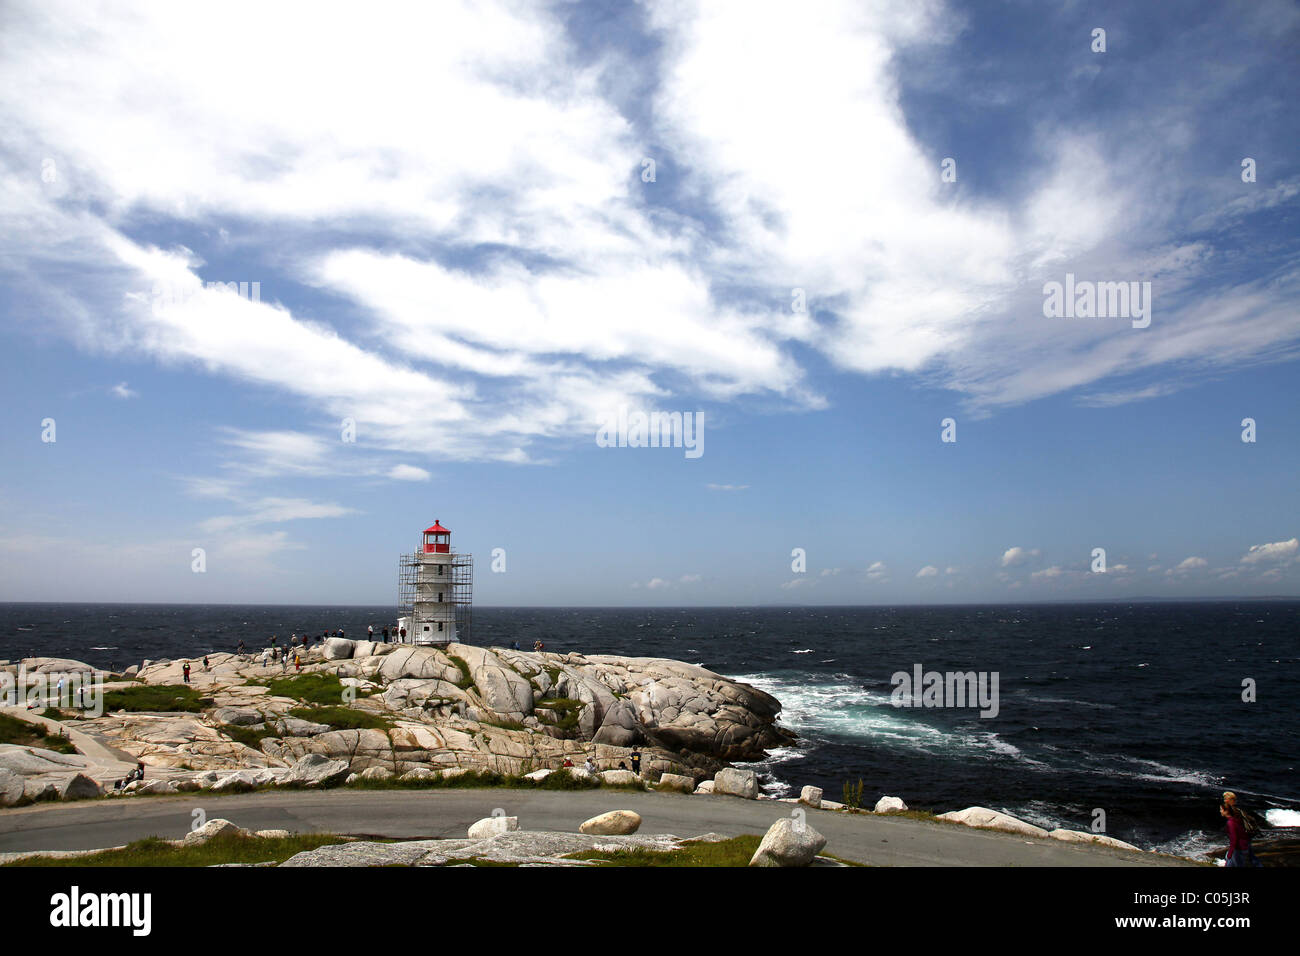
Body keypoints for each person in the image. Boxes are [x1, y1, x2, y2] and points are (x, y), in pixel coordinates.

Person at [1222, 791, 1263, 867]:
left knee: (1234, 858)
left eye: (1225, 799)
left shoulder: (1233, 811)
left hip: (1241, 841)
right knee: (1250, 857)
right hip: (1246, 837)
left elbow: (1235, 832)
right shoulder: (1238, 809)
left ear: (1229, 800)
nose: (1224, 800)